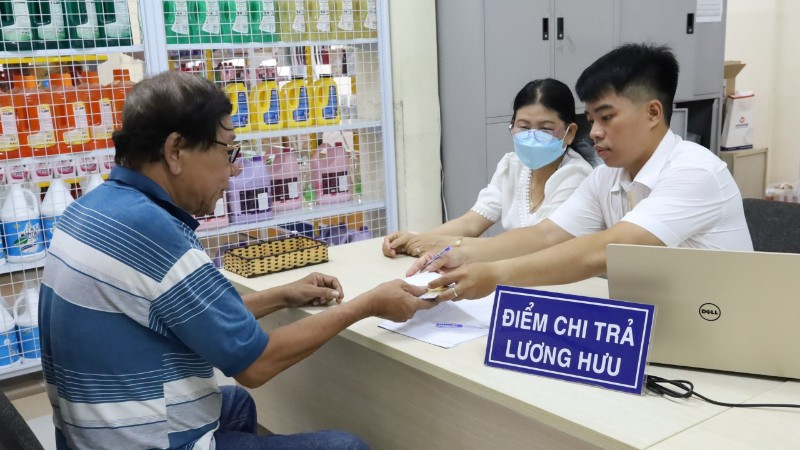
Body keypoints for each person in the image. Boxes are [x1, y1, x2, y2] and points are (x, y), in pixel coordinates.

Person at [39, 71, 440, 450]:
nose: (233, 170)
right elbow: (256, 365)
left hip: (89, 436)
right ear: (175, 151)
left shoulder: (93, 208)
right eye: (227, 150)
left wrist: (282, 295)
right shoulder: (153, 233)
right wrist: (367, 304)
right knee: (345, 446)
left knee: (236, 405)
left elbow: (187, 315)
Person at [409, 43, 753, 301]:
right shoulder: (606, 176)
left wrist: (495, 274)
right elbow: (546, 235)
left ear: (652, 113)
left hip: (720, 325)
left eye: (607, 117)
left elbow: (606, 249)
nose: (595, 132)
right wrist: (461, 254)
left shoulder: (695, 171)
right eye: (591, 120)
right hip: (658, 322)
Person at [382, 79, 596, 258]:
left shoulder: (576, 176)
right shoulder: (512, 165)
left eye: (545, 129)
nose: (532, 136)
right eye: (523, 127)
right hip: (514, 273)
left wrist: (446, 244)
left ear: (569, 133)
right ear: (512, 126)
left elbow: (538, 244)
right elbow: (472, 222)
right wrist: (417, 240)